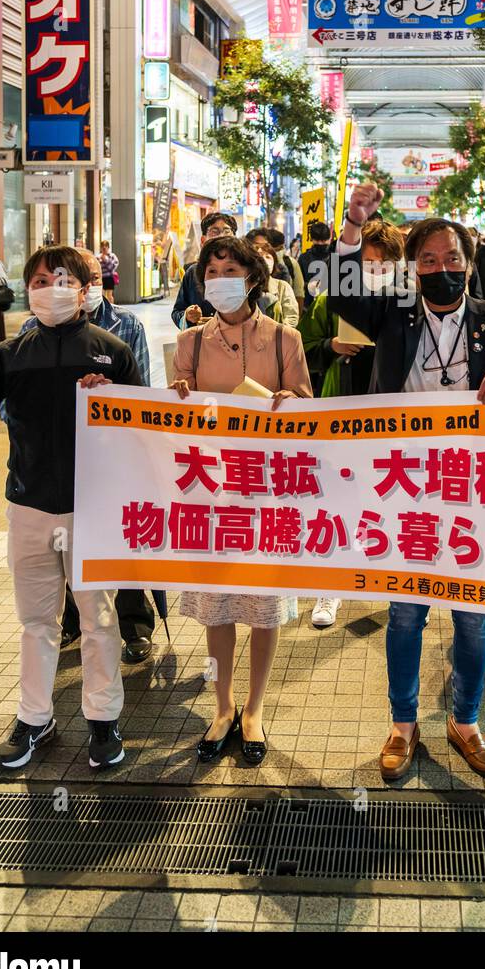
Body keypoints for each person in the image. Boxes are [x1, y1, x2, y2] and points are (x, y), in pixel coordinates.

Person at [330, 184, 485, 782]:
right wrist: (353, 225)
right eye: (428, 260)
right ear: (411, 268)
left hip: (476, 490)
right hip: (403, 489)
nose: (441, 269)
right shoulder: (392, 314)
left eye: (452, 259)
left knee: (474, 616)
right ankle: (402, 724)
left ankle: (466, 720)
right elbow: (337, 287)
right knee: (405, 614)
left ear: (469, 265)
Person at [0, 246, 142, 771]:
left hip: (92, 508)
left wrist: (114, 397)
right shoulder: (10, 354)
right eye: (37, 280)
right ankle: (35, 718)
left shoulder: (112, 351)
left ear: (83, 289)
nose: (48, 287)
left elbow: (145, 432)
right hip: (28, 505)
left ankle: (103, 719)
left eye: (60, 278)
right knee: (36, 621)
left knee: (99, 620)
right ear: (27, 291)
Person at [170, 236, 312, 766]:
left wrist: (289, 400)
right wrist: (178, 397)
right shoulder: (189, 341)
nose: (219, 279)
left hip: (267, 488)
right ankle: (223, 705)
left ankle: (254, 709)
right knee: (218, 604)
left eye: (230, 269)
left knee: (263, 605)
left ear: (252, 277)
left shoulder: (284, 339)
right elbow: (170, 417)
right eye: (211, 270)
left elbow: (307, 404)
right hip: (212, 492)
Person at [12, 249, 157, 666]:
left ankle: (134, 625)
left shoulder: (124, 327)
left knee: (116, 554)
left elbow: (139, 395)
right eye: (44, 281)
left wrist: (105, 398)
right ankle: (70, 625)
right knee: (61, 560)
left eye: (83, 278)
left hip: (108, 466)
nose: (59, 289)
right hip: (49, 472)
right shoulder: (27, 334)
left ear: (90, 284)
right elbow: (10, 407)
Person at [299, 218, 405, 629]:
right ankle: (330, 589)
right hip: (341, 411)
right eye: (368, 261)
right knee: (338, 501)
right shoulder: (332, 301)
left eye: (385, 262)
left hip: (392, 420)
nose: (375, 268)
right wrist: (331, 345)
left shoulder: (408, 306)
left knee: (392, 502)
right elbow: (302, 347)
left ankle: (400, 592)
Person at [171, 211, 237, 328]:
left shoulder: (243, 271)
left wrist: (221, 324)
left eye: (227, 231)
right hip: (201, 341)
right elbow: (177, 311)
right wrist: (188, 316)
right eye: (214, 232)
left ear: (235, 238)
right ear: (202, 240)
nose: (221, 236)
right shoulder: (193, 272)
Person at [245, 229, 300, 328]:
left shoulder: (282, 286)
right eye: (260, 258)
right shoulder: (244, 286)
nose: (264, 261)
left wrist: (274, 334)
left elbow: (291, 317)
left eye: (268, 257)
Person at [266, 227, 305, 308]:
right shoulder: (256, 265)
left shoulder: (291, 263)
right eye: (280, 248)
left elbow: (299, 293)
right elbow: (299, 294)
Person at [298, 221, 334, 307]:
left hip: (333, 306)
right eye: (318, 240)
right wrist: (308, 285)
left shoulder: (338, 256)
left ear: (330, 238)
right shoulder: (304, 258)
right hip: (309, 306)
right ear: (312, 239)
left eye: (324, 240)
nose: (321, 243)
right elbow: (298, 284)